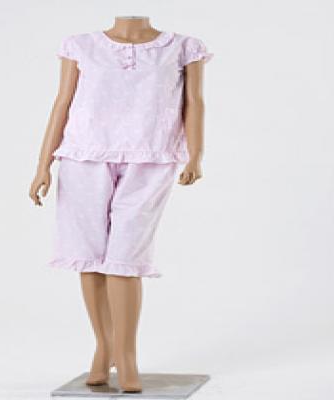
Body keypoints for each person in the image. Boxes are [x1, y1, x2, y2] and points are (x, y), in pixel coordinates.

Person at [29, 16, 213, 393]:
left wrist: (195, 155)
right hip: (84, 155)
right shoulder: (80, 45)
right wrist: (42, 164)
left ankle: (127, 357)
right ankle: (104, 347)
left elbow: (194, 102)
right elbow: (62, 102)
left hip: (150, 157)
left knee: (125, 258)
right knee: (89, 255)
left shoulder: (183, 48)